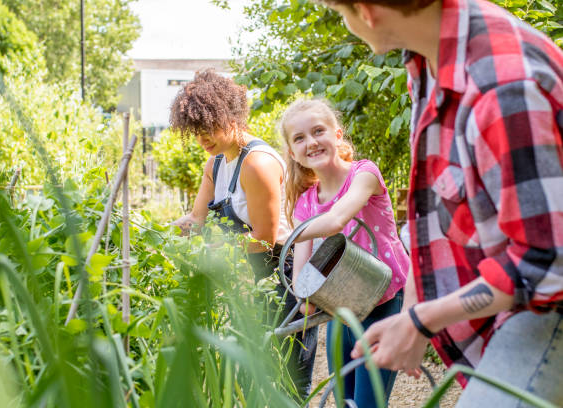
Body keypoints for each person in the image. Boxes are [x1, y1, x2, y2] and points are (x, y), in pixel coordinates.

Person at [318, 0, 563, 405]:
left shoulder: (502, 86)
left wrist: (421, 321)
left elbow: (548, 263)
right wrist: (411, 315)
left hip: (546, 305)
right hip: (515, 300)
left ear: (366, 12)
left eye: (341, 13)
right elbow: (429, 209)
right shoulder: (429, 58)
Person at [168, 70, 318, 400]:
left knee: (289, 379)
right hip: (253, 275)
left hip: (286, 275)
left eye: (208, 128)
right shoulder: (216, 164)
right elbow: (197, 218)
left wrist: (217, 253)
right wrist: (164, 235)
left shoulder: (257, 164)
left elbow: (264, 238)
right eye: (196, 132)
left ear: (230, 116)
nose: (202, 139)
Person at [280, 98, 410, 407]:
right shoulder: (305, 204)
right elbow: (301, 283)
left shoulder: (364, 175)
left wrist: (292, 234)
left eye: (318, 131)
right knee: (345, 402)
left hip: (384, 303)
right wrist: (306, 298)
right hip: (342, 311)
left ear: (338, 135)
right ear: (292, 152)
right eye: (299, 138)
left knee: (368, 404)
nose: (311, 142)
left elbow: (337, 220)